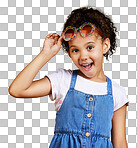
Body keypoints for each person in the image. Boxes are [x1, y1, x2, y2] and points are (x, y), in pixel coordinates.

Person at [9, 7, 129, 148]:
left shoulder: (117, 93)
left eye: (90, 47)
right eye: (75, 50)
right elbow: (17, 90)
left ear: (105, 45)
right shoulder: (62, 80)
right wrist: (46, 54)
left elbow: (120, 142)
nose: (83, 56)